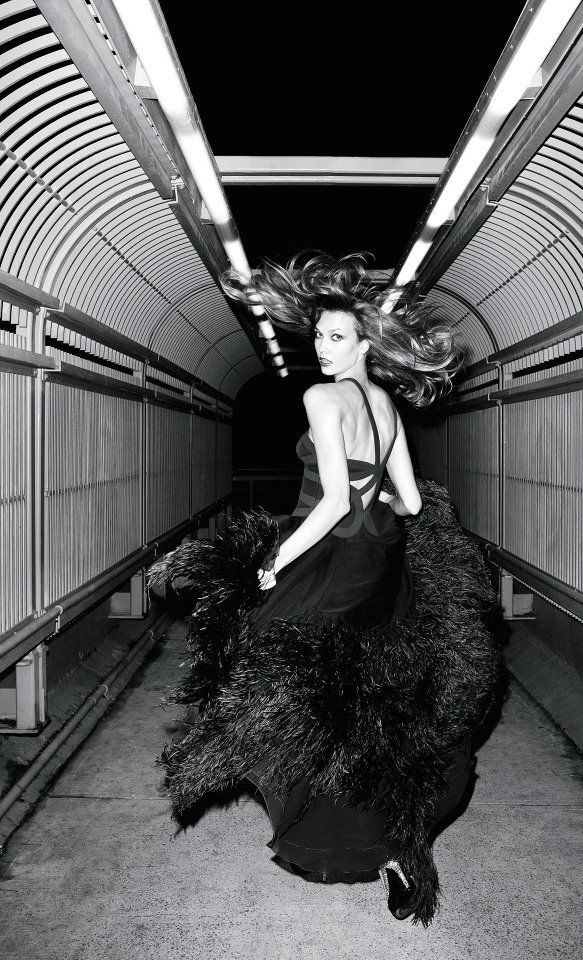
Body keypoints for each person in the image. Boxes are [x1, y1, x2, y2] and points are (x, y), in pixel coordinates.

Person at [149, 253, 503, 926]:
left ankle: (332, 830)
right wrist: (377, 528)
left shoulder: (321, 398)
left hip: (334, 559)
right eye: (317, 336)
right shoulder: (388, 405)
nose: (322, 347)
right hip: (382, 567)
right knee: (374, 704)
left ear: (367, 342)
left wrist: (275, 559)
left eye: (336, 337)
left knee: (281, 684)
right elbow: (406, 499)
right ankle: (400, 844)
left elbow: (334, 500)